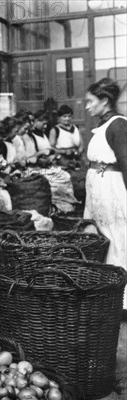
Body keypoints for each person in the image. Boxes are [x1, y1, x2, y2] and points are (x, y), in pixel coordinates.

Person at [84, 78, 127, 311]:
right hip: (102, 193)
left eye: (91, 101)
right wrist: (98, 175)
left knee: (121, 242)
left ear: (104, 100)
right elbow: (104, 163)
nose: (87, 106)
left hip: (115, 195)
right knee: (108, 243)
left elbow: (125, 162)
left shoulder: (118, 125)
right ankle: (112, 299)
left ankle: (123, 302)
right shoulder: (103, 126)